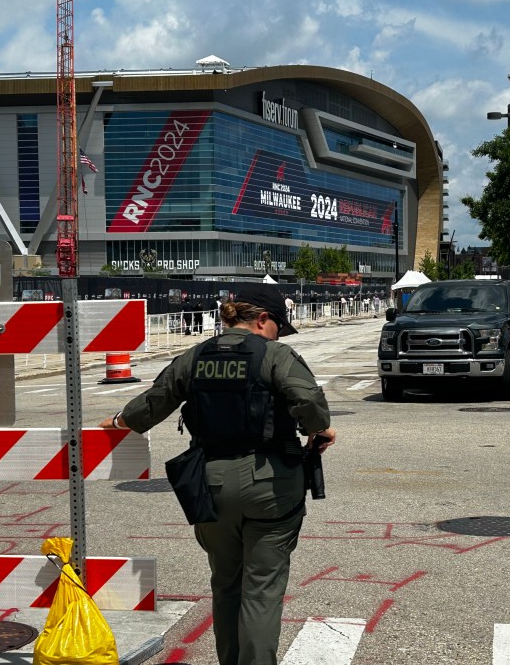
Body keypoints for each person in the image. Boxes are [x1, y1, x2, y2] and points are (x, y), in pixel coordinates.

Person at [100, 285, 336, 665]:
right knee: (261, 592)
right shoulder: (275, 355)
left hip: (211, 482)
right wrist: (318, 428)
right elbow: (308, 401)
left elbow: (154, 402)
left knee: (226, 586)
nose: (279, 333)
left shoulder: (195, 356)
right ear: (262, 320)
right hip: (270, 483)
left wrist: (117, 421)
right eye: (278, 325)